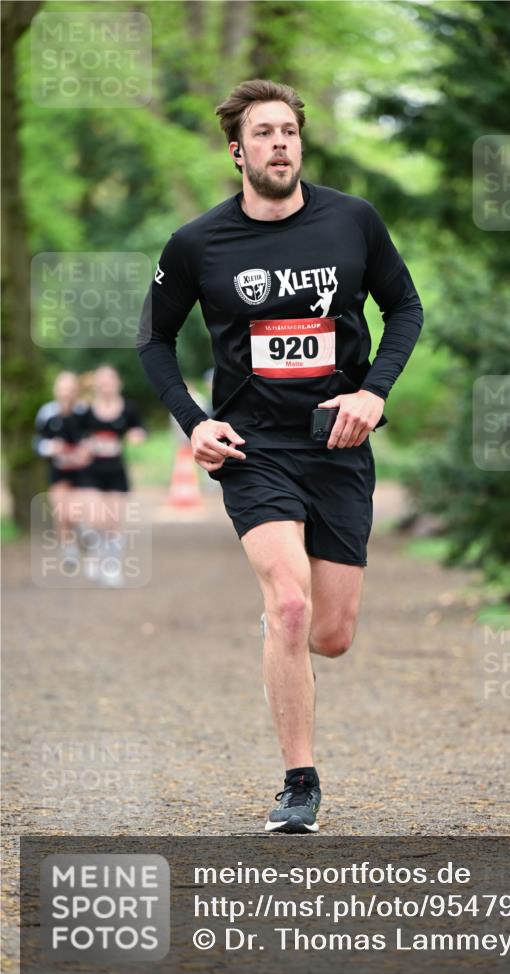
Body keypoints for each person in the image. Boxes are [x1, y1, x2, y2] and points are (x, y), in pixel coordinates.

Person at [138, 78, 423, 833]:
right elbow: (154, 339)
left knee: (330, 633)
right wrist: (192, 422)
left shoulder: (352, 222)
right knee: (291, 603)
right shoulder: (198, 243)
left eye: (289, 131)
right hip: (251, 445)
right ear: (238, 151)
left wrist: (375, 393)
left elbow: (405, 308)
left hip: (337, 440)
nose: (279, 144)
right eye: (263, 133)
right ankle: (299, 783)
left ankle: (283, 630)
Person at [83, 365, 146, 586]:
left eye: (109, 381)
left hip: (116, 470)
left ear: (117, 383)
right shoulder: (86, 410)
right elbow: (75, 433)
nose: (106, 385)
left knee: (113, 521)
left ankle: (112, 566)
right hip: (91, 471)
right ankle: (93, 553)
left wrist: (136, 434)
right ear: (96, 385)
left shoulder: (127, 408)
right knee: (94, 518)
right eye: (102, 382)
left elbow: (138, 428)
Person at [34, 371, 93, 571]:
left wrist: (86, 450)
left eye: (70, 389)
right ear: (56, 390)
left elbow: (93, 440)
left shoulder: (84, 413)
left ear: (76, 391)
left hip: (82, 472)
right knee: (61, 511)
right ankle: (69, 549)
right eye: (63, 389)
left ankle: (84, 530)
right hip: (59, 470)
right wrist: (50, 448)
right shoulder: (47, 413)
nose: (66, 394)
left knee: (75, 509)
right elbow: (38, 442)